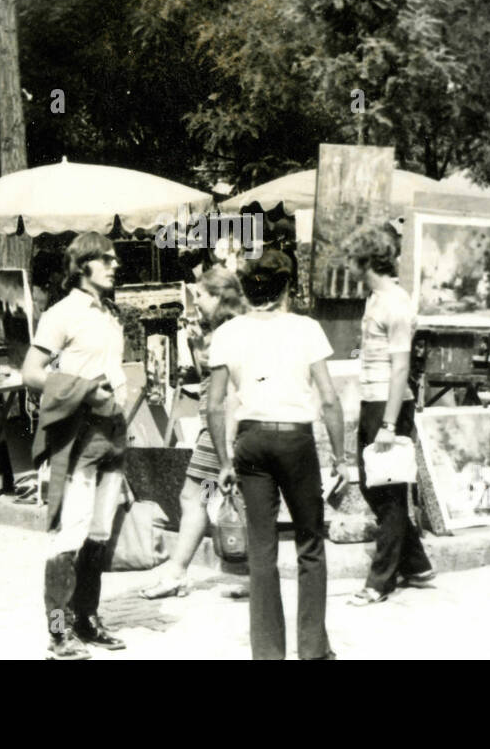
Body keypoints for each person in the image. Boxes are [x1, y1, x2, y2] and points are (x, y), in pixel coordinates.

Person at [208, 250, 349, 660]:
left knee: (262, 550)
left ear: (246, 290)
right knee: (309, 544)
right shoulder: (306, 328)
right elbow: (329, 399)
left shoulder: (228, 332)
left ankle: (268, 653)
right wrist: (340, 458)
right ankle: (312, 650)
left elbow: (215, 405)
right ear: (287, 287)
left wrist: (224, 461)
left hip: (250, 442)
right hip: (294, 440)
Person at [21, 232, 130, 660]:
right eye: (105, 259)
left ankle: (86, 618)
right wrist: (84, 390)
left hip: (113, 435)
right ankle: (58, 632)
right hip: (78, 438)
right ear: (82, 265)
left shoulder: (109, 313)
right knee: (70, 535)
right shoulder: (61, 314)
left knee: (100, 533)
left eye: (114, 259)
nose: (114, 265)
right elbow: (31, 372)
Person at [341, 223, 435, 605]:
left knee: (389, 492)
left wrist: (389, 423)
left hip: (389, 403)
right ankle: (417, 564)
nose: (347, 266)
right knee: (370, 484)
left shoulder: (395, 303)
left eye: (350, 258)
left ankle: (379, 581)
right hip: (373, 399)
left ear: (366, 260)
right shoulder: (375, 300)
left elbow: (400, 368)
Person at [140, 266, 248, 600]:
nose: (195, 302)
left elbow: (228, 389)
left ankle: (177, 573)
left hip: (219, 429)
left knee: (193, 495)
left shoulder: (229, 332)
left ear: (218, 296)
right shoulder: (229, 329)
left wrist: (225, 438)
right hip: (218, 427)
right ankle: (254, 575)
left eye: (200, 295)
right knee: (212, 497)